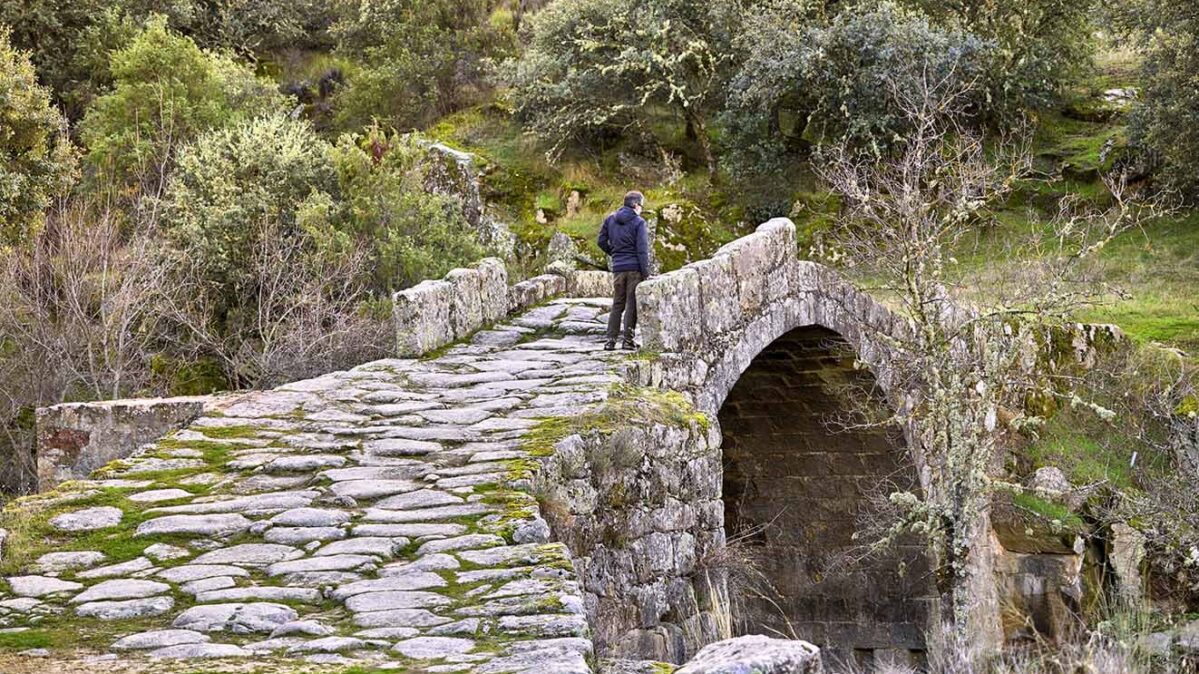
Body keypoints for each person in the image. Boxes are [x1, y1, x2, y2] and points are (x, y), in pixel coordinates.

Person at [597, 190, 650, 351]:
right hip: (634, 268)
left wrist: (614, 253)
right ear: (635, 204)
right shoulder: (639, 222)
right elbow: (642, 250)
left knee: (617, 304)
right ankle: (628, 340)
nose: (641, 208)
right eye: (641, 205)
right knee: (631, 304)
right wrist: (645, 272)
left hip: (618, 268)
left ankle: (610, 341)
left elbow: (601, 241)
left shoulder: (610, 219)